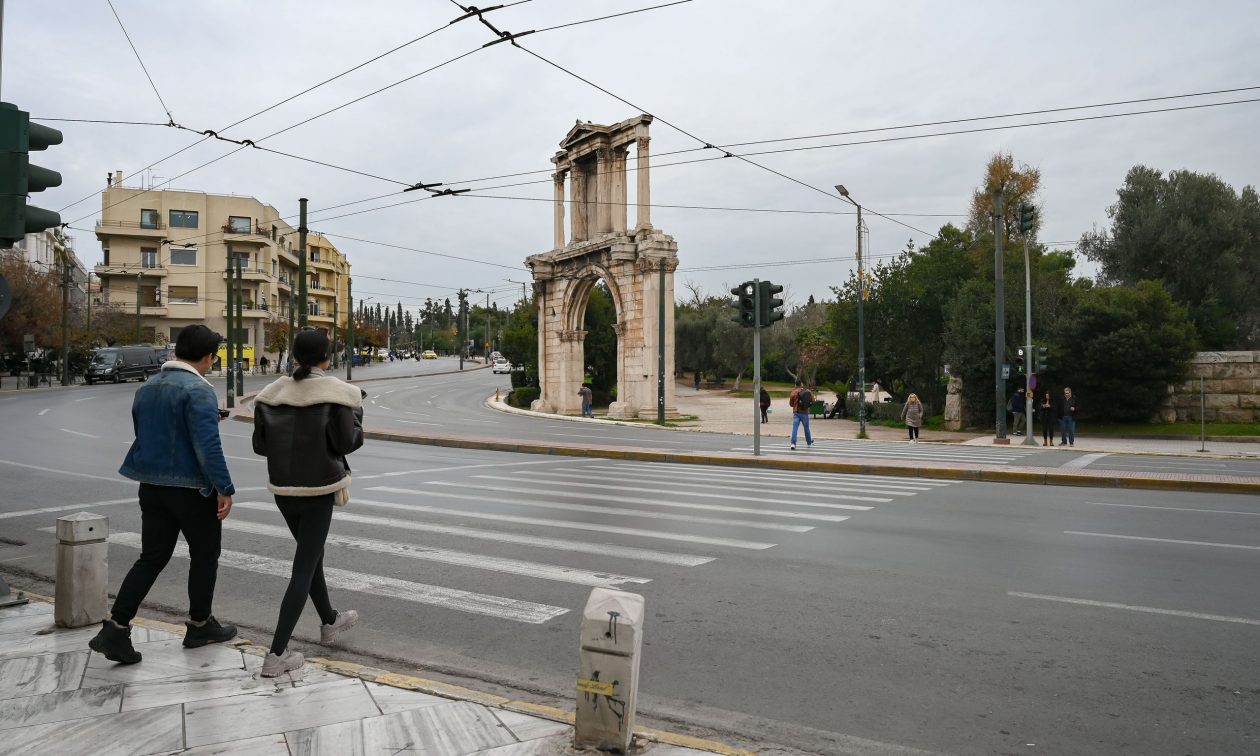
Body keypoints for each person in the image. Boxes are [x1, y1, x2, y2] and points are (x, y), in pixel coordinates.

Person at [89, 325, 237, 665]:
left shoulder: (148, 386)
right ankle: (200, 624)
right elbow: (207, 447)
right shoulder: (199, 391)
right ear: (208, 357)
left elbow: (151, 432)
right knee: (204, 555)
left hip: (151, 487)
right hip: (190, 491)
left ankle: (116, 627)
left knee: (152, 557)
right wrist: (225, 488)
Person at [252, 330, 364, 678]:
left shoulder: (270, 395)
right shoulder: (338, 395)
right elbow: (348, 442)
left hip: (284, 489)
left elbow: (260, 446)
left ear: (296, 356)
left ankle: (330, 621)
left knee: (310, 557)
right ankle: (276, 654)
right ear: (326, 358)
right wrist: (357, 413)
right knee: (303, 568)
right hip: (319, 489)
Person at [789, 380, 814, 450]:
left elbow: (791, 404)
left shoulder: (793, 392)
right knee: (806, 428)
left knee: (795, 428)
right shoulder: (807, 391)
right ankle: (809, 443)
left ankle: (793, 444)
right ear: (801, 384)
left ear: (795, 385)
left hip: (796, 413)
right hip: (804, 412)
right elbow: (813, 400)